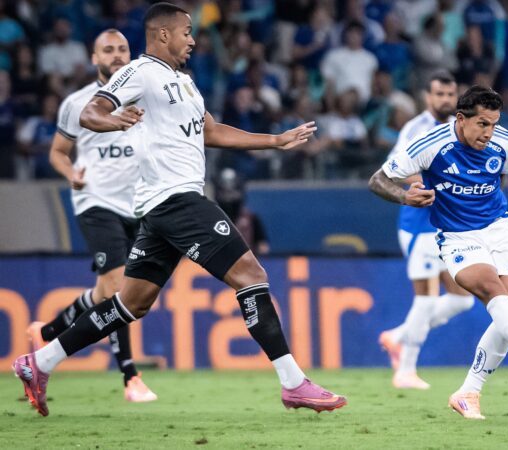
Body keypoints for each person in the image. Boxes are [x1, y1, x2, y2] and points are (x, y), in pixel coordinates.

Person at [12, 2, 346, 417]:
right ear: (163, 34)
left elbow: (213, 131)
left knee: (130, 303)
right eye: (187, 32)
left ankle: (39, 362)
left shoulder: (184, 81)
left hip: (161, 207)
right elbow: (91, 111)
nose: (193, 39)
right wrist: (113, 121)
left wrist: (275, 141)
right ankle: (294, 383)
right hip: (177, 199)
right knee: (251, 276)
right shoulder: (140, 71)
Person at [368, 86, 508, 420]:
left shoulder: (504, 142)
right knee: (493, 291)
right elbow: (378, 180)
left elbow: (497, 182)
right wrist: (405, 197)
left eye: (493, 124)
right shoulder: (430, 145)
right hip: (457, 237)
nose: (489, 133)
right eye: (482, 124)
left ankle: (468, 393)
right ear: (461, 119)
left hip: (500, 228)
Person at [25, 29, 157, 403]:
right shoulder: (78, 104)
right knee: (120, 290)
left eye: (122, 50)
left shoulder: (147, 98)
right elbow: (58, 152)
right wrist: (72, 175)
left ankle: (47, 333)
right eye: (108, 50)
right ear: (94, 58)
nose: (116, 55)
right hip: (96, 202)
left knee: (106, 293)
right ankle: (131, 378)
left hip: (140, 206)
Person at [377, 70, 475, 390]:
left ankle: (398, 336)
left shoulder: (456, 127)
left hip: (445, 223)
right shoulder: (417, 129)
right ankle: (405, 370)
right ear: (427, 97)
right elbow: (393, 171)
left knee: (462, 299)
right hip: (420, 223)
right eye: (439, 94)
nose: (445, 100)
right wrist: (425, 183)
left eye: (450, 94)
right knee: (426, 296)